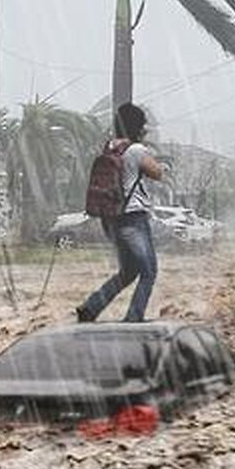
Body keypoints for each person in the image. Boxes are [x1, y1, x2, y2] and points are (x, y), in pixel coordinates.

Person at [76, 103, 165, 323]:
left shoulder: (111, 148)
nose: (145, 129)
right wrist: (159, 163)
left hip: (111, 219)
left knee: (128, 271)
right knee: (149, 271)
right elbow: (157, 173)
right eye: (143, 125)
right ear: (137, 127)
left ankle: (90, 307)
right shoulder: (136, 150)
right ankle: (134, 317)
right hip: (133, 218)